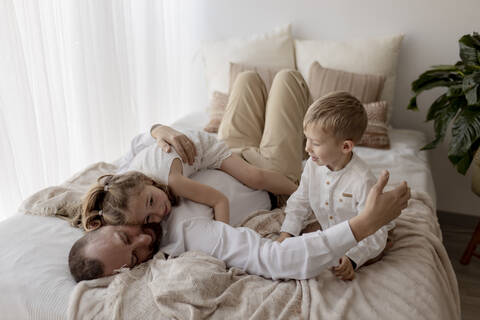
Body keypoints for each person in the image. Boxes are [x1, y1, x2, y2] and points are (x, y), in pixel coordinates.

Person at [69, 169, 410, 282]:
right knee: (286, 83)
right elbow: (276, 259)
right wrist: (363, 225)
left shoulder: (123, 191)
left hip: (235, 152)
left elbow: (142, 144)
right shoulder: (188, 234)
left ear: (104, 223)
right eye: (133, 258)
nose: (143, 238)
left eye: (123, 235)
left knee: (254, 85)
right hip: (275, 172)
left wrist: (162, 129)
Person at [276, 91, 395, 281]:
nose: (307, 148)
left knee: (373, 248)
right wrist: (287, 233)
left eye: (315, 143)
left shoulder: (362, 180)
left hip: (362, 233)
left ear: (345, 147)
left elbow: (373, 228)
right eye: (307, 139)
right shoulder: (312, 166)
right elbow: (301, 201)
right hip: (331, 227)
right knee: (303, 241)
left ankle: (373, 249)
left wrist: (353, 259)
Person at [81, 128, 298, 230]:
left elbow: (219, 200)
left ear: (146, 182)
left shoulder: (173, 181)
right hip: (185, 157)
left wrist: (224, 238)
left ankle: (299, 191)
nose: (159, 213)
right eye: (148, 219)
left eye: (151, 201)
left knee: (254, 177)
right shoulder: (122, 188)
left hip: (205, 149)